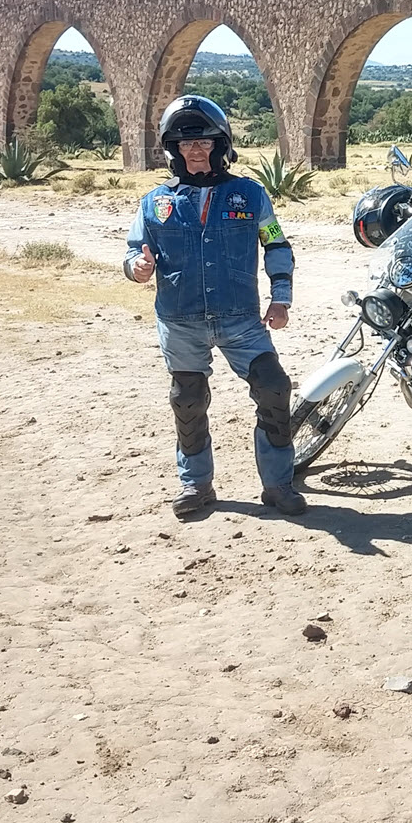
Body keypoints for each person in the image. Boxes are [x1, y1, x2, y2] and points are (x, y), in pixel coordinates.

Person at [124, 95, 307, 520]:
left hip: (242, 319)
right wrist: (137, 267)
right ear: (173, 149)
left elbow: (276, 243)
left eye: (204, 142)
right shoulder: (154, 202)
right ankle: (196, 485)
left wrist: (281, 298)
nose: (196, 150)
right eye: (186, 143)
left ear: (221, 145)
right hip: (180, 319)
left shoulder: (251, 194)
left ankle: (279, 485)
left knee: (274, 390)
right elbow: (134, 251)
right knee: (188, 401)